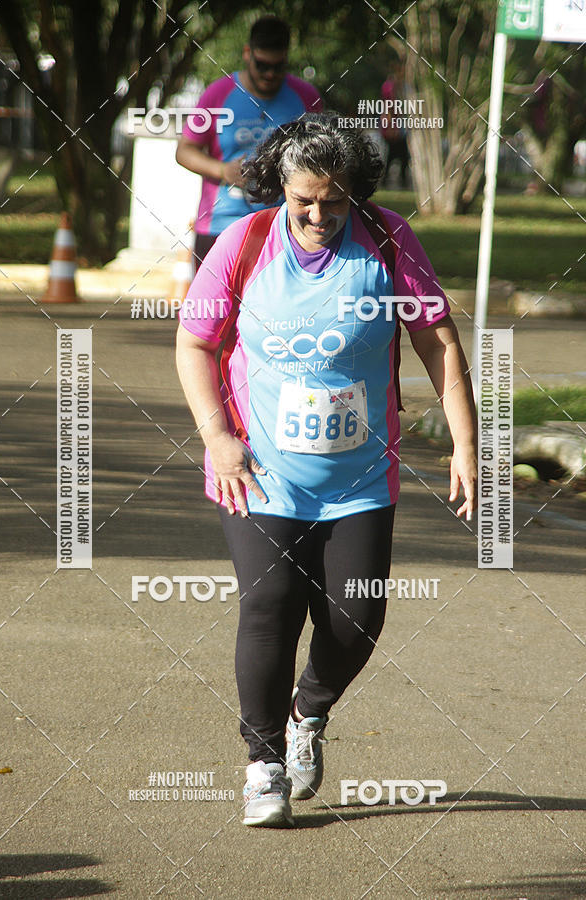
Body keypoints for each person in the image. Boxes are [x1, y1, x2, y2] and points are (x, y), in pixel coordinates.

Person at [175, 113, 477, 828]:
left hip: (360, 478)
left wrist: (467, 444)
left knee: (357, 618)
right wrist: (216, 436)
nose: (318, 215)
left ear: (355, 194)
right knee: (270, 603)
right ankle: (263, 767)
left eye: (334, 201)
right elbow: (194, 345)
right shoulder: (244, 242)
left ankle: (308, 712)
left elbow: (437, 341)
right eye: (304, 199)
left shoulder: (388, 240)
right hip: (260, 470)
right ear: (282, 185)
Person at [175, 15, 322, 270]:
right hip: (221, 225)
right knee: (215, 310)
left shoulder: (306, 97)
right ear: (247, 53)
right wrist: (223, 171)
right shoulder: (218, 94)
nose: (269, 74)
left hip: (286, 227)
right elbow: (184, 151)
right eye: (262, 64)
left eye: (278, 66)